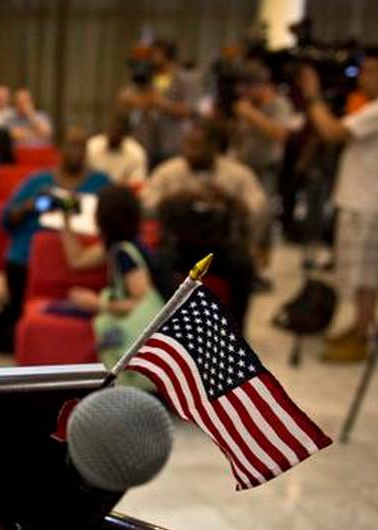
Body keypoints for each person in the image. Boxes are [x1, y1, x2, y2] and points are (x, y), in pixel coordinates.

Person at [298, 45, 378, 362]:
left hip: (368, 203)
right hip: (363, 200)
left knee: (365, 273)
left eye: (371, 71)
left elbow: (332, 132)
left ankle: (362, 334)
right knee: (361, 271)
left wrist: (313, 96)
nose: (362, 78)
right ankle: (361, 326)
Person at [0, 127, 110, 352]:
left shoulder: (101, 183)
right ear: (59, 149)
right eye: (72, 145)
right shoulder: (39, 182)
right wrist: (33, 205)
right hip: (27, 259)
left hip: (82, 260)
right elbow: (6, 221)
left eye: (82, 146)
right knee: (11, 325)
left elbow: (114, 221)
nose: (77, 151)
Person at [142, 121, 263, 330]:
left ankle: (234, 332)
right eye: (187, 145)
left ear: (213, 147)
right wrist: (176, 198)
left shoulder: (237, 174)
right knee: (156, 262)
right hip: (179, 245)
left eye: (197, 146)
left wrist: (229, 199)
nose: (190, 152)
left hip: (219, 247)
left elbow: (257, 208)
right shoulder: (169, 172)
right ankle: (167, 327)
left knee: (244, 266)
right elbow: (146, 204)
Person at [60, 185, 168, 388]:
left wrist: (97, 303)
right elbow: (78, 259)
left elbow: (140, 302)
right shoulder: (120, 245)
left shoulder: (125, 253)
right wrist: (66, 219)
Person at [232, 62, 300, 282]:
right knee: (242, 219)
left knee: (262, 219)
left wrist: (250, 114)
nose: (245, 93)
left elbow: (280, 134)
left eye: (249, 87)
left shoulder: (278, 104)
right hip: (244, 169)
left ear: (262, 85)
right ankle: (244, 265)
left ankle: (259, 271)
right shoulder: (246, 105)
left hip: (267, 169)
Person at [120, 39, 196, 168]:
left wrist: (160, 103)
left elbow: (190, 110)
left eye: (154, 53)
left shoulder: (183, 78)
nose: (150, 57)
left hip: (172, 143)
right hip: (146, 141)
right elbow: (124, 97)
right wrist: (141, 101)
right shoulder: (147, 76)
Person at [85, 112, 148, 184]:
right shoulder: (92, 145)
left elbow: (137, 183)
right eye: (111, 130)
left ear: (125, 134)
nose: (113, 134)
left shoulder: (136, 153)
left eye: (118, 131)